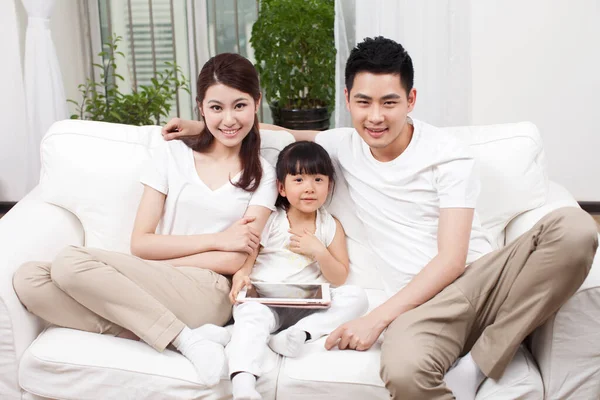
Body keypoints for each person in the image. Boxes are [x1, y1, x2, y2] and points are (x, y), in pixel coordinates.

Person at [162, 37, 598, 399]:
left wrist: (376, 319)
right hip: (420, 311)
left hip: (479, 281)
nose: (376, 117)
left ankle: (482, 360)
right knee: (405, 374)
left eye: (390, 102)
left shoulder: (448, 156)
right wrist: (204, 128)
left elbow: (451, 260)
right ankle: (465, 369)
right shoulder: (341, 146)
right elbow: (280, 135)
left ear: (410, 99)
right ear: (347, 100)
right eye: (364, 102)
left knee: (576, 227)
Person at [12, 53, 277, 389]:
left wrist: (171, 256)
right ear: (200, 108)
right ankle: (175, 336)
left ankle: (178, 337)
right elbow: (141, 243)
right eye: (216, 108)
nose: (228, 119)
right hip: (157, 281)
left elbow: (235, 258)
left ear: (257, 103)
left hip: (209, 292)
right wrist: (216, 239)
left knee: (69, 262)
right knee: (29, 278)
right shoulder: (172, 155)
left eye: (239, 106)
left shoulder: (263, 175)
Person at [225, 141, 368, 400]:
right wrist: (242, 275)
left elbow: (340, 276)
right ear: (281, 187)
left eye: (318, 179)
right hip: (266, 299)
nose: (309, 188)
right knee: (251, 318)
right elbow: (250, 255)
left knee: (357, 297)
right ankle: (244, 384)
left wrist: (320, 252)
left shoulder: (330, 225)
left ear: (330, 186)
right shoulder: (271, 220)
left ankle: (298, 334)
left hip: (308, 304)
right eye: (299, 179)